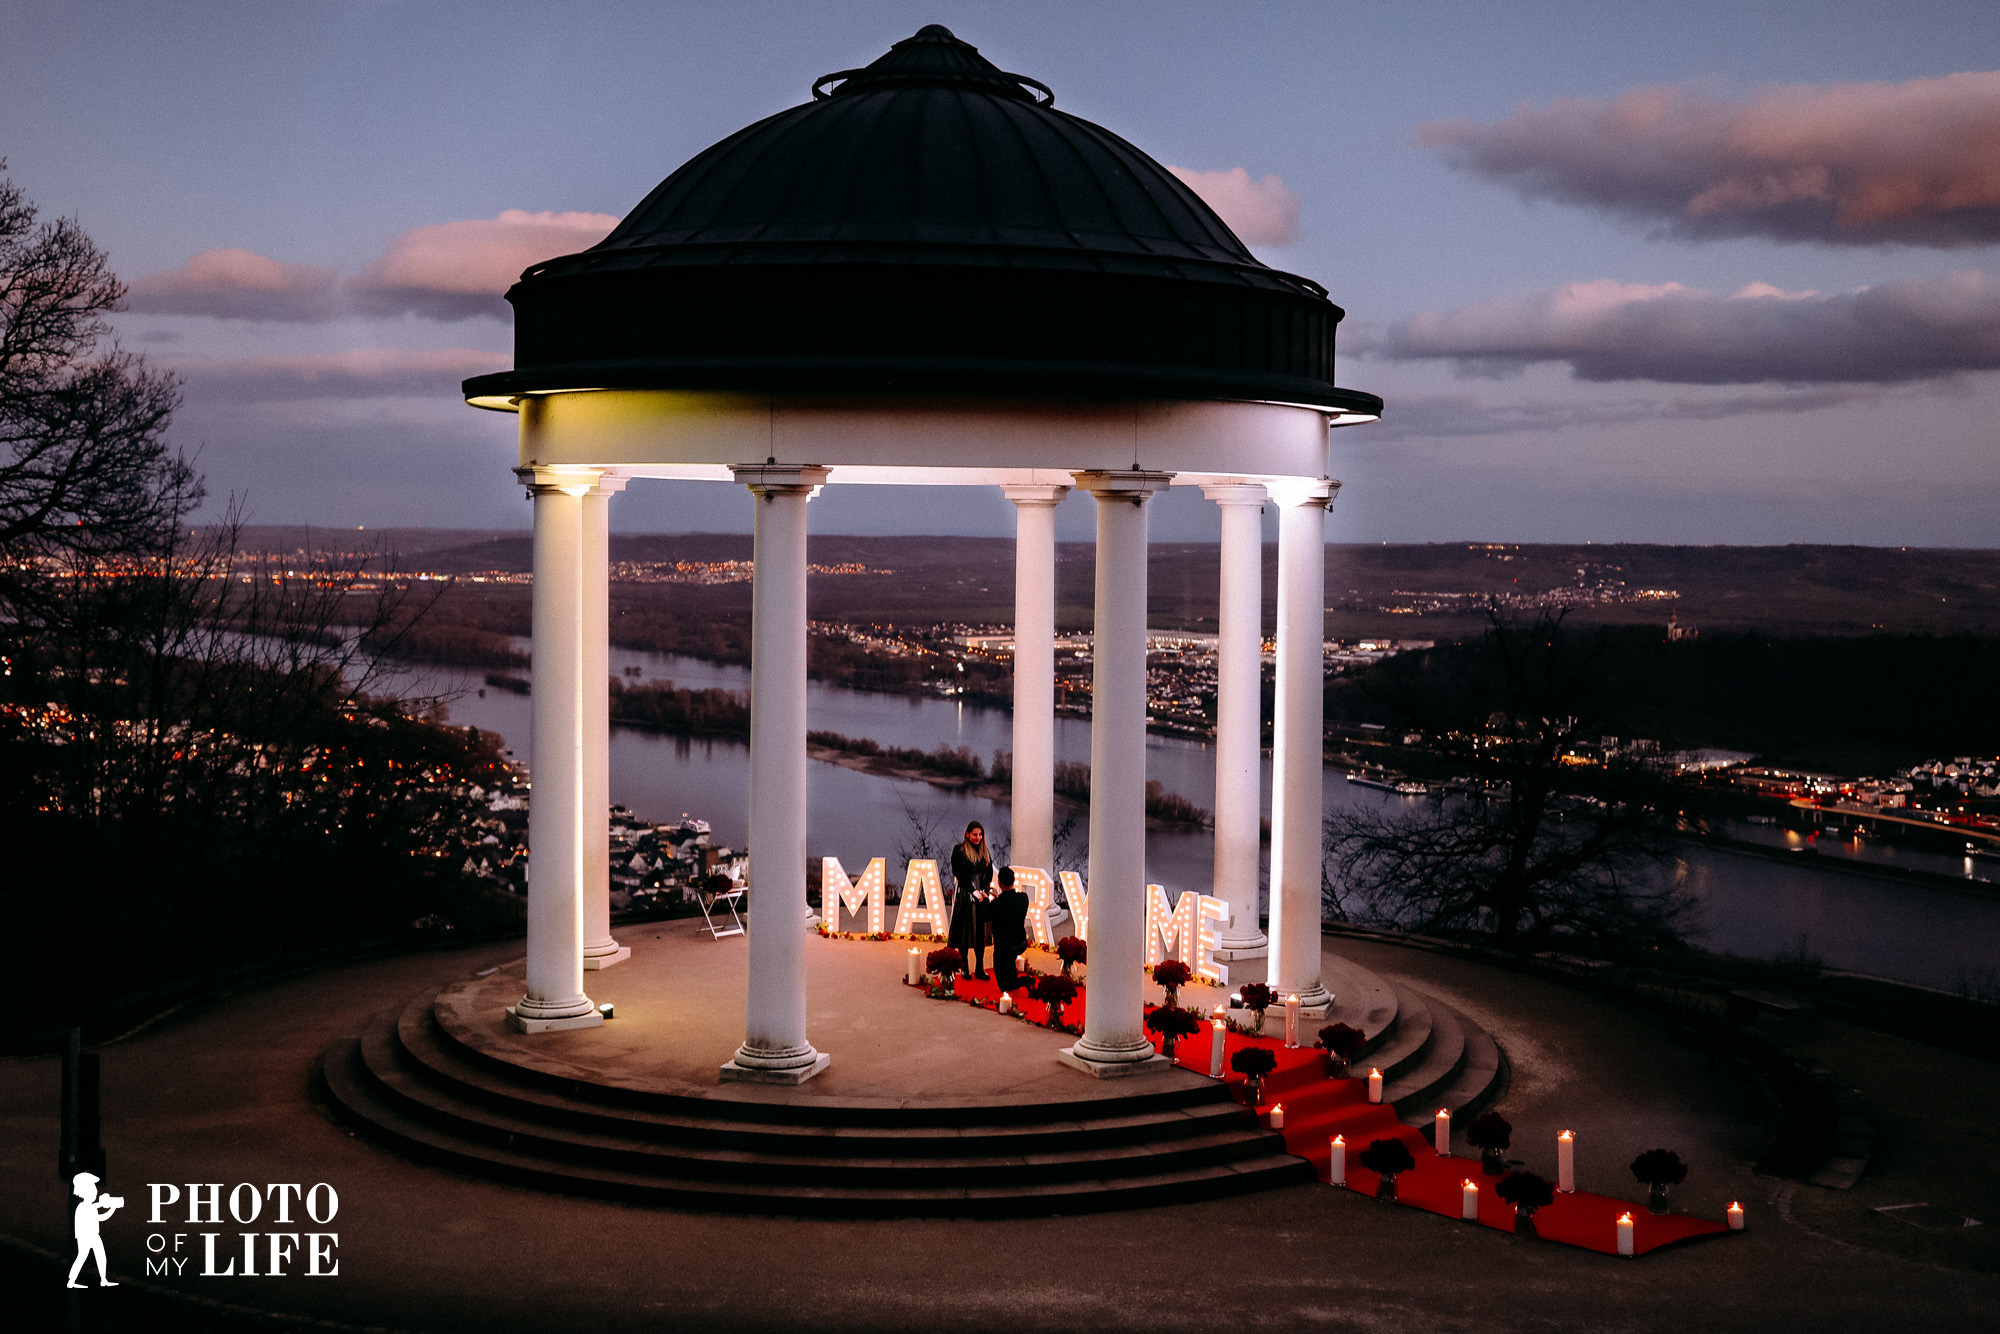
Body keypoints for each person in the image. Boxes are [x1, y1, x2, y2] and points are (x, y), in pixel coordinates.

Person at [948, 821, 994, 979]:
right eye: (975, 834)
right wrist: (972, 890)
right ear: (967, 834)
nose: (978, 838)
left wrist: (985, 891)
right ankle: (965, 967)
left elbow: (988, 874)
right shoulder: (959, 850)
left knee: (980, 934)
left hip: (981, 896)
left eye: (980, 835)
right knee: (965, 934)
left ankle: (979, 968)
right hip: (966, 896)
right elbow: (959, 873)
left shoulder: (985, 852)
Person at [68, 1171, 122, 1289]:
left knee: (98, 1255)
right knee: (84, 1256)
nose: (95, 1193)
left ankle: (102, 1279)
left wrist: (104, 1204)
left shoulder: (84, 1206)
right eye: (93, 1192)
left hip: (90, 1234)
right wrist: (112, 1209)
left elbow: (94, 1207)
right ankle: (72, 1281)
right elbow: (101, 1217)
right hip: (88, 1235)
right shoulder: (86, 1207)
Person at [988, 866, 1030, 992]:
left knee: (1004, 986)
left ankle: (1027, 981)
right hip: (1021, 943)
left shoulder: (996, 904)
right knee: (1008, 966)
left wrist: (987, 899)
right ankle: (1014, 973)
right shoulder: (1023, 898)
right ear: (1013, 881)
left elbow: (985, 916)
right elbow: (1008, 906)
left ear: (999, 883)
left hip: (1004, 949)